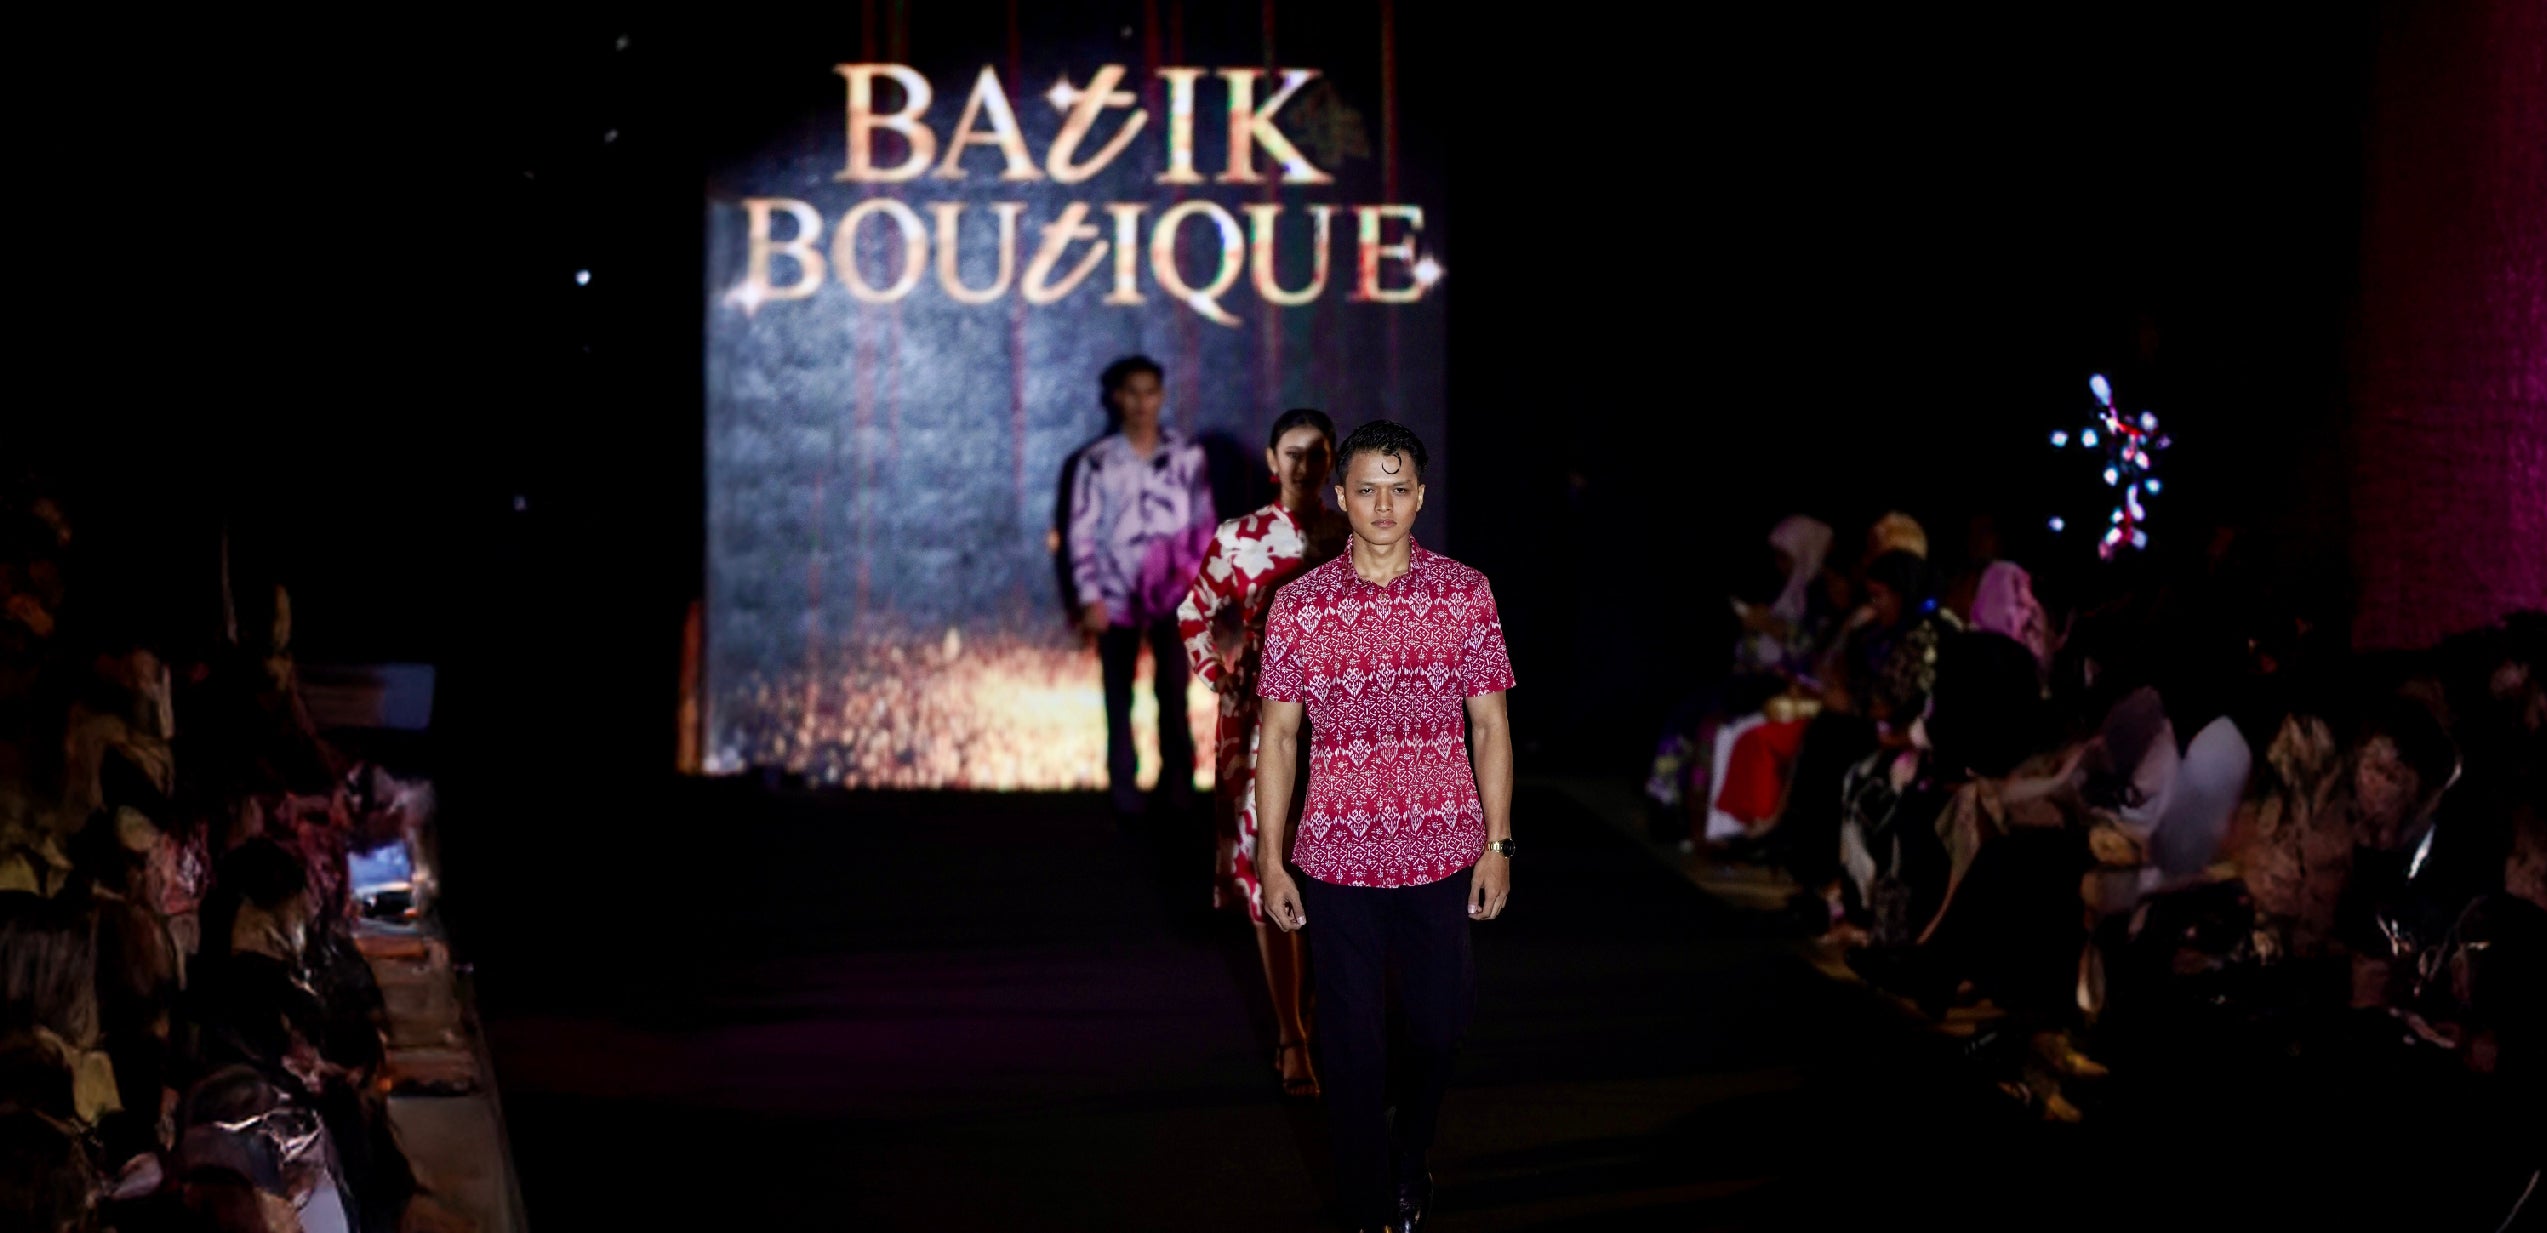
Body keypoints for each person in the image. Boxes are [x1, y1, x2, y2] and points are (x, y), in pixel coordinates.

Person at [1253, 420, 1515, 1233]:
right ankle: (1370, 1207)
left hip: (1442, 850)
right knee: (1353, 1049)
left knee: (1439, 1030)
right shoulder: (1298, 605)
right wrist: (1269, 858)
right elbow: (1281, 739)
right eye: (1366, 487)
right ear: (1340, 497)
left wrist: (1498, 843)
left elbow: (1491, 729)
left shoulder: (1464, 592)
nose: (1383, 504)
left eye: (1399, 489)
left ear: (1421, 497)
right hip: (1335, 856)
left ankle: (1410, 1155)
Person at [1175, 408, 1349, 1099]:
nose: (1304, 467)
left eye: (1317, 455)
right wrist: (1225, 675)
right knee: (1268, 870)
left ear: (1331, 461)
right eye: (1293, 455)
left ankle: (1328, 1013)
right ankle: (1290, 1034)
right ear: (1274, 462)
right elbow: (1193, 615)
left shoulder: (1355, 533)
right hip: (1258, 730)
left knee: (1339, 879)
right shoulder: (1240, 538)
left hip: (1341, 731)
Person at [1065, 356, 1217, 815]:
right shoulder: (1096, 462)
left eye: (1149, 392)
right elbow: (1081, 530)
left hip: (1174, 594)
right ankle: (1123, 788)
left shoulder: (1186, 455)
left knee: (1173, 690)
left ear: (1161, 396)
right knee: (1118, 693)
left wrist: (1199, 586)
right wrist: (1089, 594)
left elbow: (1203, 523)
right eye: (1131, 392)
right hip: (1116, 595)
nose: (1140, 403)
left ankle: (1179, 786)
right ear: (1117, 397)